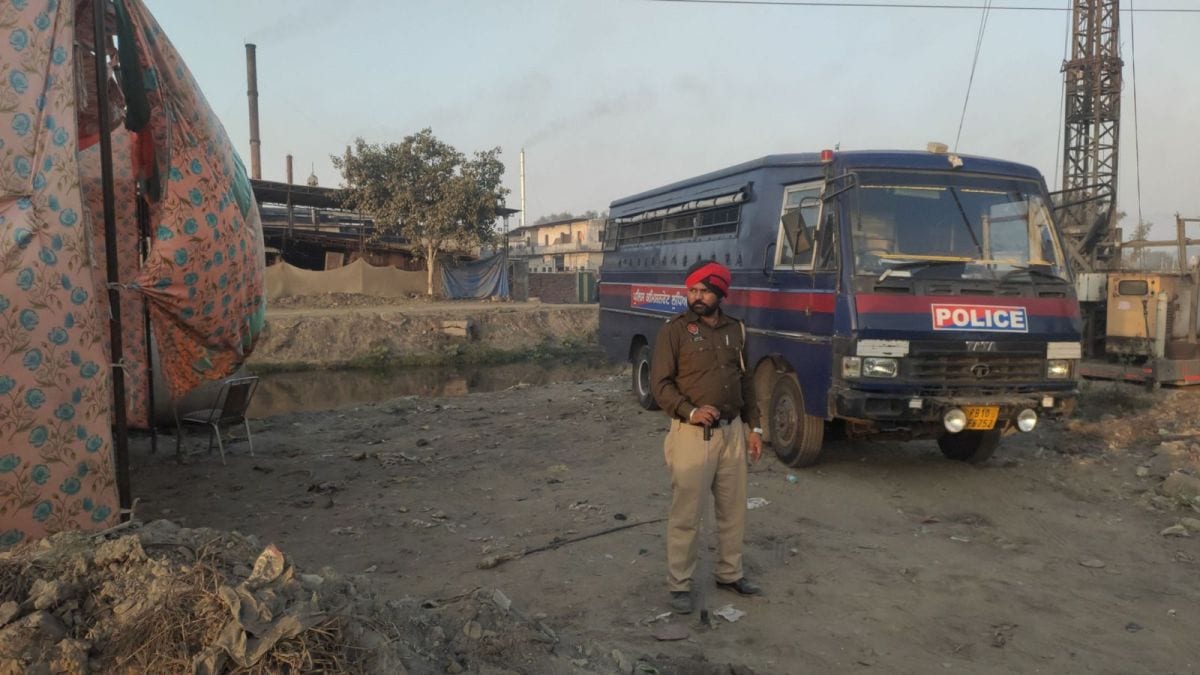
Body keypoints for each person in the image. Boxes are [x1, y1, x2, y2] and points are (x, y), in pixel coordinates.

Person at [649, 260, 764, 614]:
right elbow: (660, 384)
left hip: (731, 435)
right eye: (692, 290)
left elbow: (746, 381)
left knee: (733, 511)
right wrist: (691, 411)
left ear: (720, 293)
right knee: (687, 513)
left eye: (704, 291)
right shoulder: (675, 331)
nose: (696, 297)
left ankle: (730, 573)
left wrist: (754, 428)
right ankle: (680, 584)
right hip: (691, 436)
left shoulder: (737, 330)